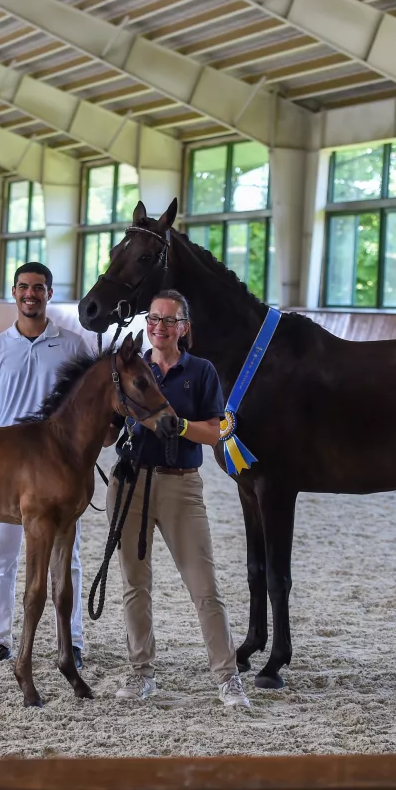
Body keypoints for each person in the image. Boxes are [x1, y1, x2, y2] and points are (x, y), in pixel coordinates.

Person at [105, 289, 250, 707]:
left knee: (204, 586)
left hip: (180, 485)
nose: (159, 327)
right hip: (130, 484)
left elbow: (217, 430)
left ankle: (227, 677)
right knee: (135, 584)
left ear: (183, 327)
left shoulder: (200, 371)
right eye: (154, 318)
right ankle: (141, 672)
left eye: (169, 320)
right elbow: (111, 427)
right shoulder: (131, 367)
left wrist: (180, 426)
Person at [0, 262, 91, 670]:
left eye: (38, 288)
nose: (30, 294)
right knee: (0, 556)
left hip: (59, 470)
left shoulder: (74, 346)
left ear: (49, 293)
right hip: (7, 465)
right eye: (23, 287)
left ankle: (70, 641)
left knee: (66, 558)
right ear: (14, 293)